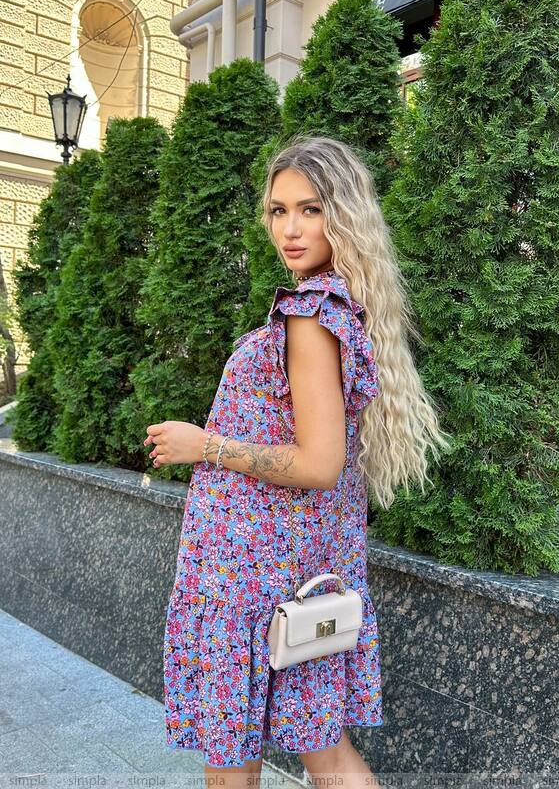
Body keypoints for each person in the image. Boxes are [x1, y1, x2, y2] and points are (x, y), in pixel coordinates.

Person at [146, 134, 451, 787]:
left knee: (233, 763)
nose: (289, 228)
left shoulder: (310, 317)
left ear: (343, 214)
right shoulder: (335, 306)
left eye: (310, 209)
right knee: (324, 752)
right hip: (298, 570)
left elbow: (319, 462)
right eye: (278, 210)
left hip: (253, 580)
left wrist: (206, 446)